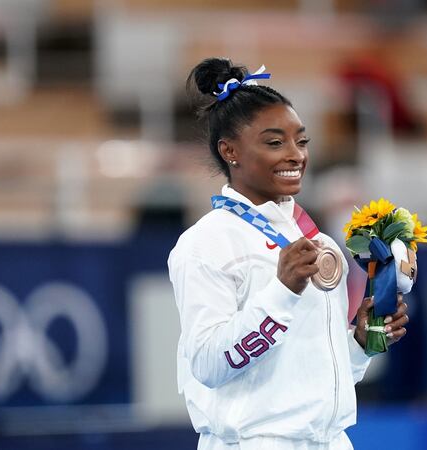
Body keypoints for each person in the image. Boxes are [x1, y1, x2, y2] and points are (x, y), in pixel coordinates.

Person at [168, 58, 409, 450]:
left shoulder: (316, 240)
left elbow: (309, 375)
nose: (296, 154)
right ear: (230, 151)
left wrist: (360, 343)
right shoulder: (206, 243)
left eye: (302, 140)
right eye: (275, 142)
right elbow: (209, 365)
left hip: (330, 441)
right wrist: (281, 291)